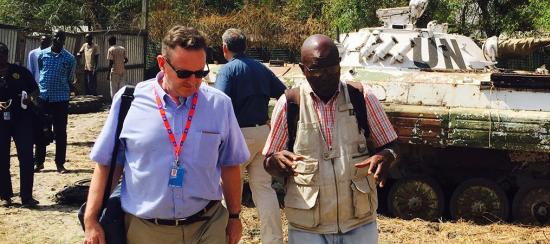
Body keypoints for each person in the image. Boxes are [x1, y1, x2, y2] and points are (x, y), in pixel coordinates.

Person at [83, 26, 249, 244]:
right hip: (147, 230)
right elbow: (107, 164)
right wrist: (91, 219)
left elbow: (230, 165)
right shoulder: (129, 102)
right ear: (162, 63)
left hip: (207, 225)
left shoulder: (219, 105)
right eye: (183, 73)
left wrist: (235, 217)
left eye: (200, 73)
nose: (193, 81)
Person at [263, 34, 398, 243]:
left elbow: (391, 145)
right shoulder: (289, 104)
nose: (325, 76)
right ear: (302, 69)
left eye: (332, 69)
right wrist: (275, 161)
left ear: (340, 66)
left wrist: (386, 155)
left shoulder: (361, 97)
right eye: (316, 70)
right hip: (307, 228)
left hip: (358, 223)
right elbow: (269, 160)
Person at [214, 28, 287, 244]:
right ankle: (273, 239)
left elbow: (220, 102)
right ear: (246, 47)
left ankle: (226, 237)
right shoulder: (260, 68)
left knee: (227, 188)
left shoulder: (228, 70)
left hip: (238, 135)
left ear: (224, 48)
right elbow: (283, 92)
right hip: (263, 134)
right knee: (264, 188)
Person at [0, 42, 40, 208]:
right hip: (1, 122)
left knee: (26, 158)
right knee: (2, 159)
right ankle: (5, 195)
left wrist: (28, 98)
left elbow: (35, 90)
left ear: (7, 55)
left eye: (3, 54)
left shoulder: (20, 72)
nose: (1, 58)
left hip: (22, 120)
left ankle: (27, 197)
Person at [34, 30, 75, 174]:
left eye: (61, 37)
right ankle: (39, 162)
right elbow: (41, 71)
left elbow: (70, 78)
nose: (57, 39)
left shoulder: (69, 59)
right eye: (56, 36)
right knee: (41, 131)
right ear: (52, 38)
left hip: (61, 100)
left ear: (64, 40)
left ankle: (60, 163)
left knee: (60, 132)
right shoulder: (42, 55)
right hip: (44, 98)